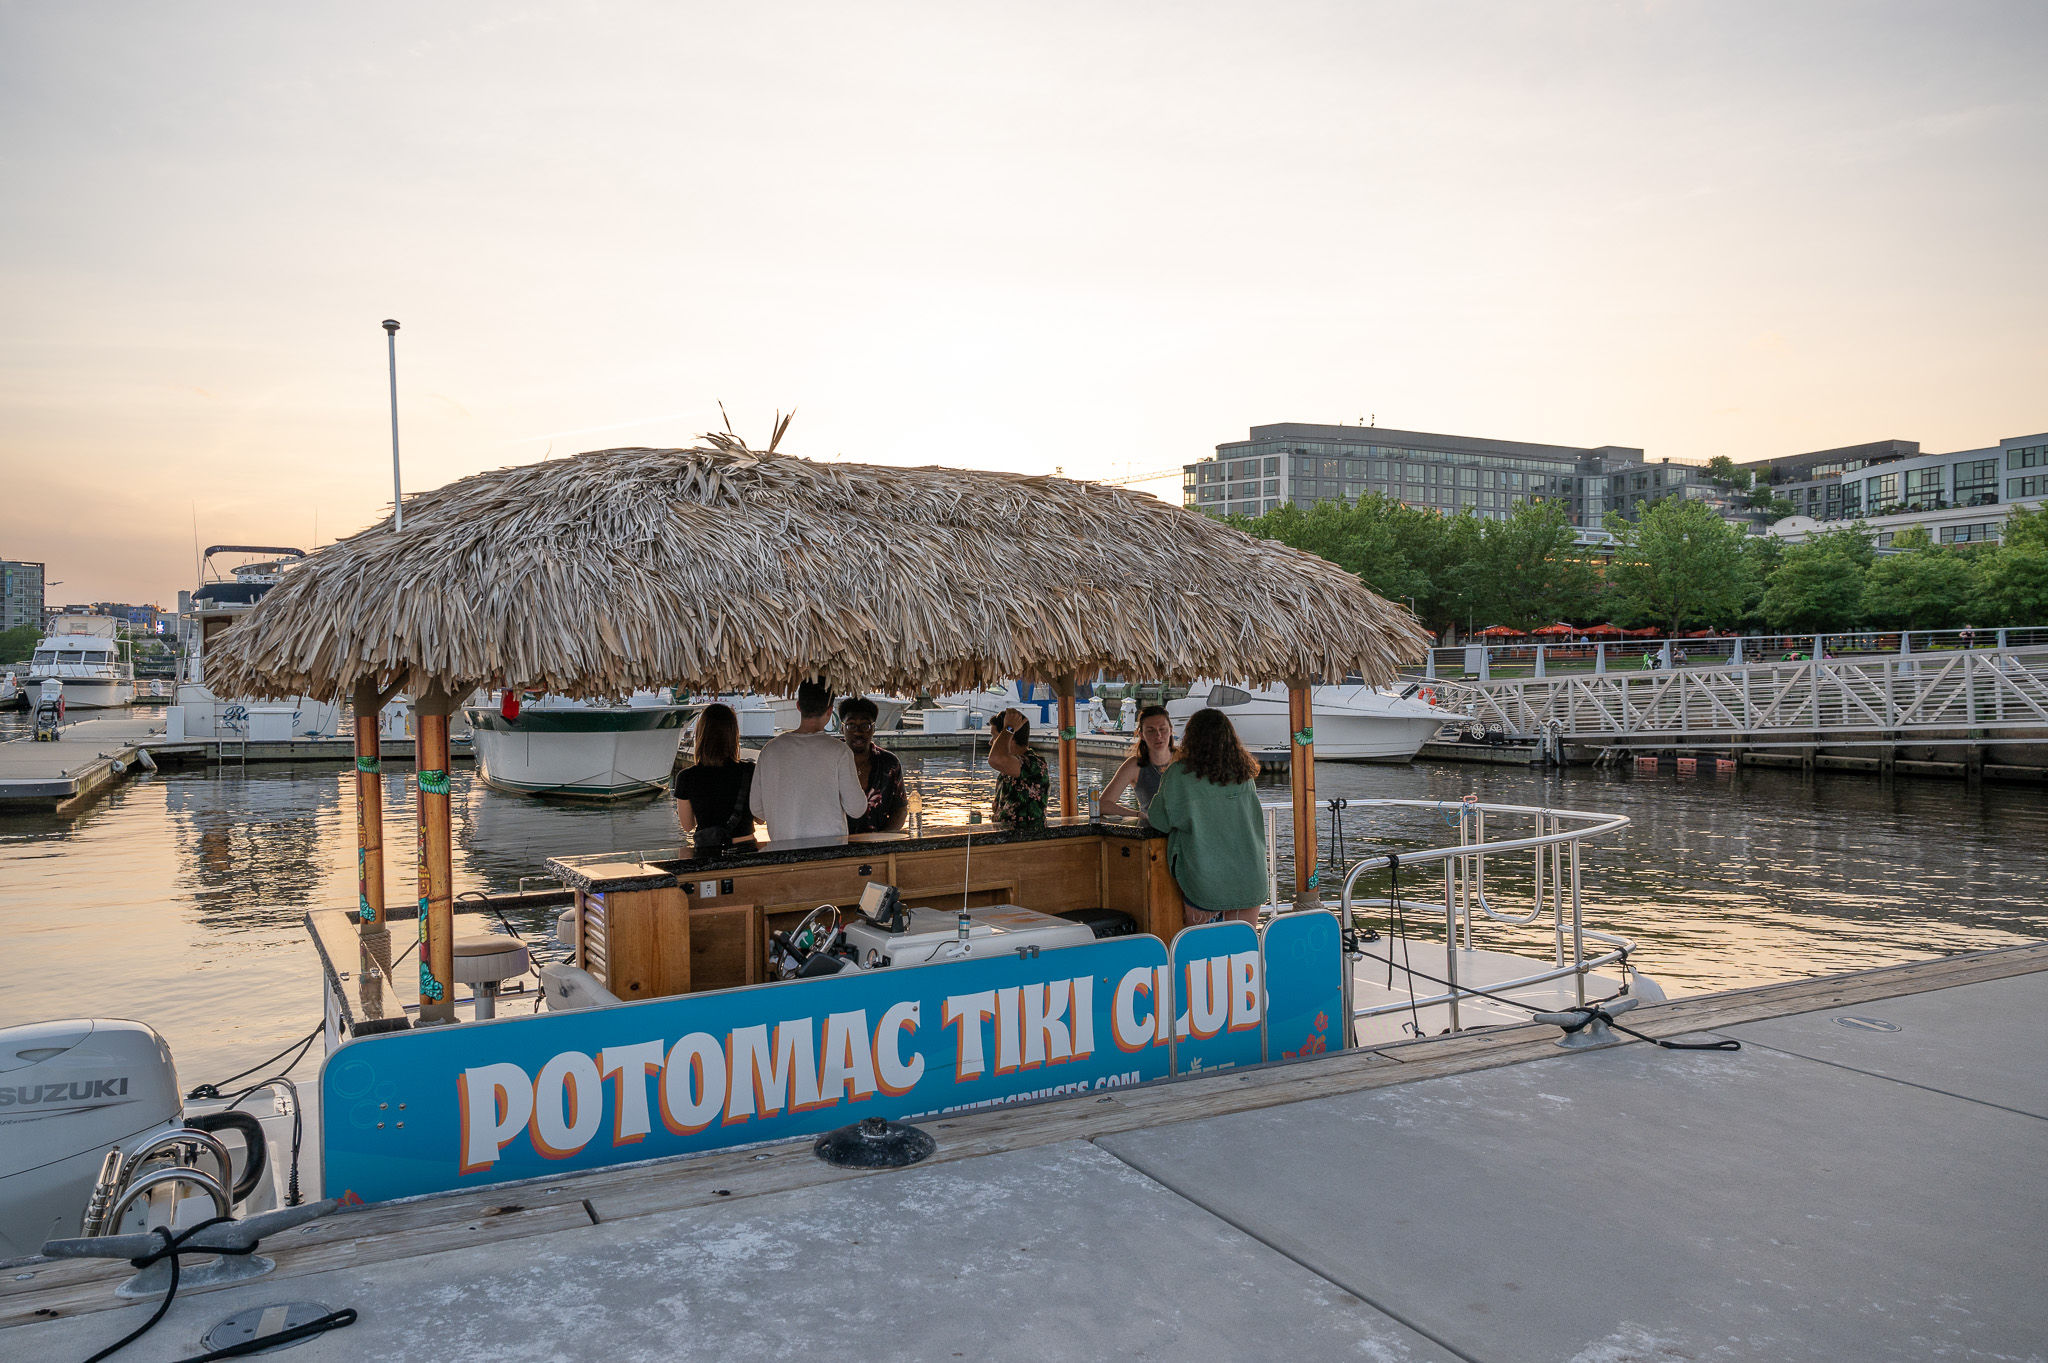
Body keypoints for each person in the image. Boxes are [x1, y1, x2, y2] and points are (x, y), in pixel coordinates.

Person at [1147, 708, 1268, 926]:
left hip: (1206, 881)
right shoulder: (1243, 772)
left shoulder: (1179, 775)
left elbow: (1159, 820)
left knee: (1201, 952)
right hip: (1250, 877)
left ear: (1191, 738)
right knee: (1243, 949)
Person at [750, 680, 867, 842]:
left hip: (782, 855)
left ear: (798, 706)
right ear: (829, 710)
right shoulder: (839, 751)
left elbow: (757, 808)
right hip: (828, 856)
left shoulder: (769, 750)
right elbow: (857, 808)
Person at [673, 703, 757, 854]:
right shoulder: (750, 771)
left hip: (709, 854)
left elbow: (687, 826)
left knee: (684, 853)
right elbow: (760, 818)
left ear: (701, 735)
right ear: (733, 735)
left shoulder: (686, 777)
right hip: (745, 853)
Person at [838, 696, 907, 833]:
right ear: (842, 728)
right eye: (851, 725)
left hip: (878, 847)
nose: (858, 732)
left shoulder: (890, 764)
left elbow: (900, 809)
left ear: (874, 728)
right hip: (835, 847)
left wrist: (882, 840)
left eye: (865, 725)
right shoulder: (830, 760)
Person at [1098, 705, 1176, 819]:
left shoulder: (1183, 760)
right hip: (1150, 832)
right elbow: (1102, 805)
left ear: (1170, 730)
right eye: (1151, 731)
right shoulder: (1135, 765)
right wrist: (1138, 815)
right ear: (1141, 735)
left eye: (1162, 729)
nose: (1158, 735)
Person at [986, 707, 1049, 829]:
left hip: (1025, 841)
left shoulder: (1033, 764)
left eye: (994, 736)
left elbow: (994, 759)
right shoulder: (1010, 766)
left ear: (1010, 737)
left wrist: (1009, 728)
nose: (990, 742)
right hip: (1005, 840)